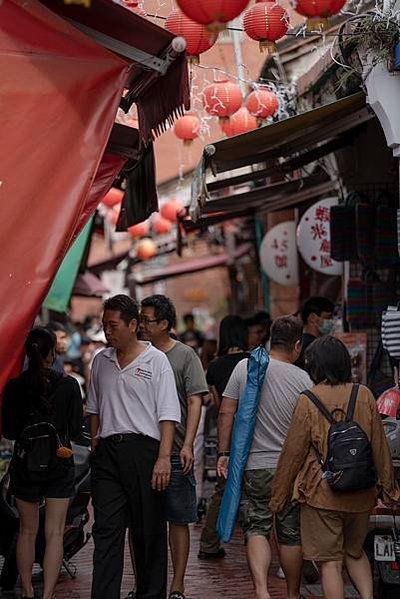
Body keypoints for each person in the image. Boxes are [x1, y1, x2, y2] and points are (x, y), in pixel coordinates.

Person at [270, 336, 400, 599]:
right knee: (354, 551)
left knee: (330, 561)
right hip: (361, 493)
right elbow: (380, 447)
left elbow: (292, 454)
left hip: (322, 494)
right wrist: (390, 490)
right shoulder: (363, 394)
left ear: (315, 366)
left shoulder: (308, 400)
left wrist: (278, 498)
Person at [86, 295, 181, 599]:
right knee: (106, 531)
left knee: (148, 531)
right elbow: (94, 408)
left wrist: (164, 458)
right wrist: (95, 440)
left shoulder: (157, 361)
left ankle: (150, 594)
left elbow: (168, 414)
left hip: (145, 453)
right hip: (108, 454)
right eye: (104, 326)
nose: (107, 333)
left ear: (132, 325)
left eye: (113, 326)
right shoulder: (101, 360)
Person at [217, 316, 313, 599]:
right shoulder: (302, 379)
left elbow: (226, 412)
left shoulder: (245, 367)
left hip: (253, 466)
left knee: (256, 527)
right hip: (290, 470)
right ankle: (293, 594)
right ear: (297, 345)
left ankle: (261, 591)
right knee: (290, 533)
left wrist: (223, 453)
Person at [2, 327, 83, 599]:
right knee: (55, 533)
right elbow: (74, 429)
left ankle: (26, 590)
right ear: (52, 353)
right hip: (60, 466)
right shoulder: (69, 385)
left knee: (26, 530)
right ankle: (47, 594)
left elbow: (10, 431)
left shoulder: (14, 387)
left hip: (25, 466)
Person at [140, 295, 208, 599]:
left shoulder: (184, 356)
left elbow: (195, 401)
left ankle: (178, 585)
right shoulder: (136, 354)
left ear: (165, 324)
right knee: (142, 523)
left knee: (178, 520)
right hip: (143, 451)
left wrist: (189, 444)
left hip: (177, 450)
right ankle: (147, 585)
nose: (141, 325)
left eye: (147, 320)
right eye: (139, 319)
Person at [198, 315, 249, 560]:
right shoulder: (254, 361)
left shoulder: (215, 367)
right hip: (254, 431)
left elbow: (218, 405)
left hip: (226, 431)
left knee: (222, 489)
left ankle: (208, 543)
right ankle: (258, 543)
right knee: (258, 491)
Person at [296, 296, 334, 368]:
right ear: (312, 317)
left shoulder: (301, 342)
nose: (331, 322)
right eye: (327, 317)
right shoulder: (312, 345)